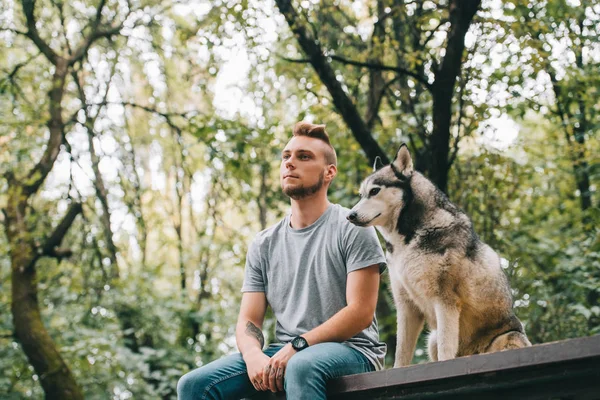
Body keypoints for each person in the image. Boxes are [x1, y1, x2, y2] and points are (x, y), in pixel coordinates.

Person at [177, 122, 387, 400]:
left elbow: (360, 311)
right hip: (287, 350)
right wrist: (253, 356)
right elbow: (249, 320)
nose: (290, 163)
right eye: (286, 156)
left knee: (300, 366)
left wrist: (299, 346)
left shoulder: (352, 226)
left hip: (352, 350)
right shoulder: (264, 243)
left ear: (329, 173)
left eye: (304, 157)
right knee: (193, 386)